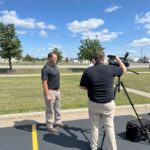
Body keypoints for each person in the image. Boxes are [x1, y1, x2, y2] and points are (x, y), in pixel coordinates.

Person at [80, 51, 126, 150]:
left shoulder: (88, 70)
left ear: (94, 59)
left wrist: (91, 88)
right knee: (109, 128)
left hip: (94, 104)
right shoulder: (111, 69)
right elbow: (124, 69)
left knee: (94, 127)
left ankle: (94, 147)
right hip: (108, 105)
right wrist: (118, 59)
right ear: (103, 58)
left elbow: (82, 87)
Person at [41, 52, 64, 133]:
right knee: (50, 109)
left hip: (57, 91)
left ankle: (58, 121)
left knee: (58, 108)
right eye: (54, 58)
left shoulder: (55, 66)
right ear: (49, 58)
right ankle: (49, 125)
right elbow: (44, 82)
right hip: (50, 91)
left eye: (56, 58)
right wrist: (47, 95)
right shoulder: (46, 68)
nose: (56, 59)